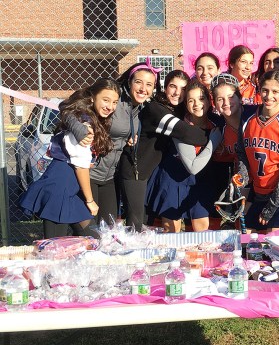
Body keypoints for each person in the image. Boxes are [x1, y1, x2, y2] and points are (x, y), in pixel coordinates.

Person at [19, 78, 120, 238]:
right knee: (54, 246)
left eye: (114, 102)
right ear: (93, 97)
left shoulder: (90, 118)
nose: (110, 106)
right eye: (106, 100)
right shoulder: (84, 125)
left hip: (70, 189)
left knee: (92, 238)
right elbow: (80, 167)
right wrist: (90, 200)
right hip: (59, 187)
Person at [66, 60, 157, 225]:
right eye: (138, 82)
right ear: (129, 82)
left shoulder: (141, 109)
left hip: (110, 177)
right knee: (87, 231)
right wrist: (80, 130)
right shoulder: (113, 99)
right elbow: (68, 110)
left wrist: (130, 138)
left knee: (109, 229)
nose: (143, 88)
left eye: (149, 84)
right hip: (90, 174)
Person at [119, 70, 209, 231]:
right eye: (172, 86)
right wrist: (215, 135)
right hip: (136, 171)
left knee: (148, 224)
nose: (177, 92)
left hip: (152, 171)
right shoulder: (156, 109)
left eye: (182, 89)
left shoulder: (180, 111)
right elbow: (186, 133)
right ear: (164, 87)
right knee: (137, 224)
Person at [234, 70, 279, 232]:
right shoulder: (247, 117)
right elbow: (242, 154)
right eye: (265, 90)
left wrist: (271, 208)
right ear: (259, 90)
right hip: (260, 190)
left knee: (271, 240)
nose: (269, 96)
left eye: (275, 92)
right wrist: (242, 177)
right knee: (247, 239)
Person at [146, 78, 222, 232]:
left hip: (202, 179)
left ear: (209, 100)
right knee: (172, 232)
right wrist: (213, 142)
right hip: (174, 178)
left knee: (202, 232)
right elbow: (193, 167)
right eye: (190, 100)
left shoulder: (217, 122)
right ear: (186, 104)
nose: (197, 104)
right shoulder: (180, 126)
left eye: (201, 98)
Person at [209, 73, 244, 211]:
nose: (226, 103)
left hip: (266, 183)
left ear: (240, 98)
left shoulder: (254, 117)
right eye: (220, 99)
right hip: (242, 182)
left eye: (230, 97)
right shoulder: (220, 129)